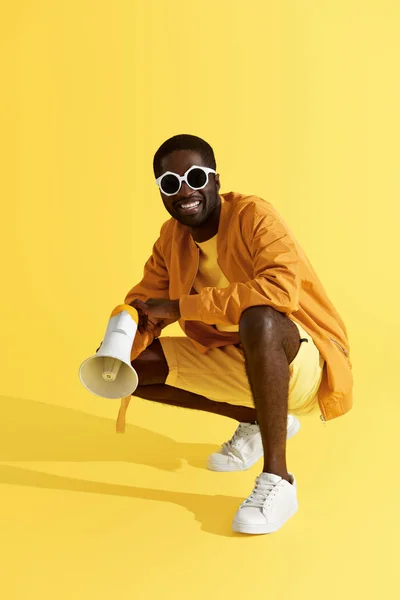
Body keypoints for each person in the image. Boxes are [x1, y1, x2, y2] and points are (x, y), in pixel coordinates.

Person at [113, 133, 353, 535]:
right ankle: (260, 420)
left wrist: (179, 308)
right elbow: (144, 300)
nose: (184, 190)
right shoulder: (170, 238)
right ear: (160, 192)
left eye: (194, 176)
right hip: (234, 356)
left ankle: (279, 479)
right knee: (126, 368)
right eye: (170, 184)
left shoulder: (254, 215)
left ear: (216, 180)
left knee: (258, 316)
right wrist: (120, 339)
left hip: (302, 356)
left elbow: (279, 290)